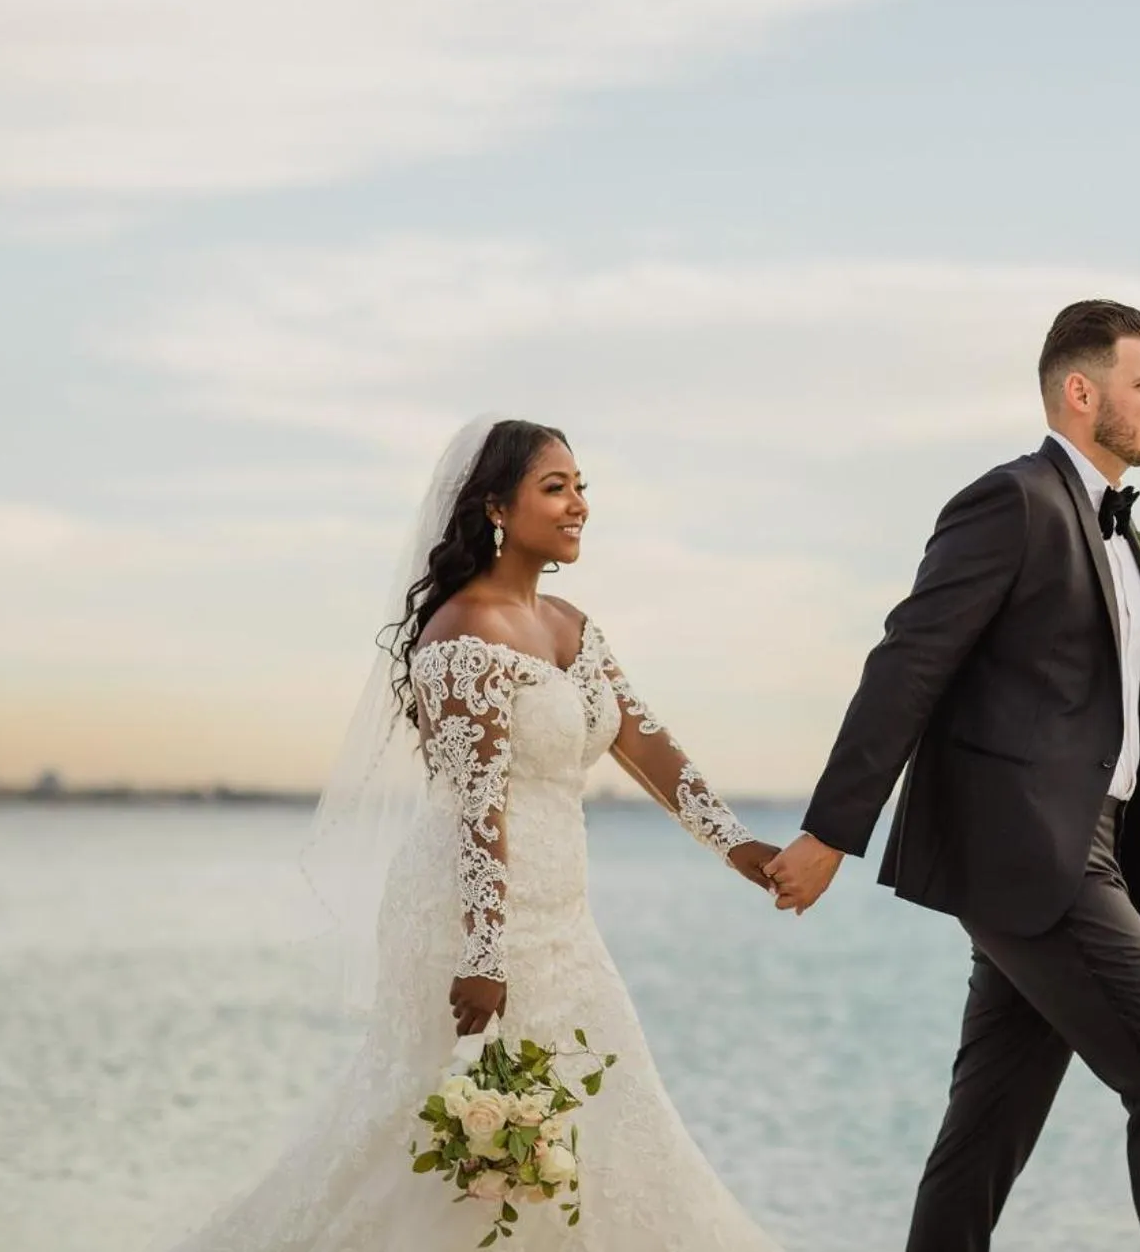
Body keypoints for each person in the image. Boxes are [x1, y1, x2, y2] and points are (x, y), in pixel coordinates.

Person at [167, 417, 783, 1252]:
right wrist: (484, 956)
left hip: (564, 920)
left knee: (605, 1121)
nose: (578, 506)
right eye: (555, 487)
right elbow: (476, 807)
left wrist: (739, 846)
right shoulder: (462, 634)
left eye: (581, 486)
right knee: (454, 1141)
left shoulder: (570, 622)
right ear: (497, 505)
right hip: (470, 920)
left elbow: (647, 744)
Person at [765, 300, 1140, 1252]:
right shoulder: (1011, 501)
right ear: (1079, 391)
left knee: (986, 1130)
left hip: (1078, 852)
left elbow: (1120, 731)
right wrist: (830, 834)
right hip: (1034, 854)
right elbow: (909, 664)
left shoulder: (1117, 534)